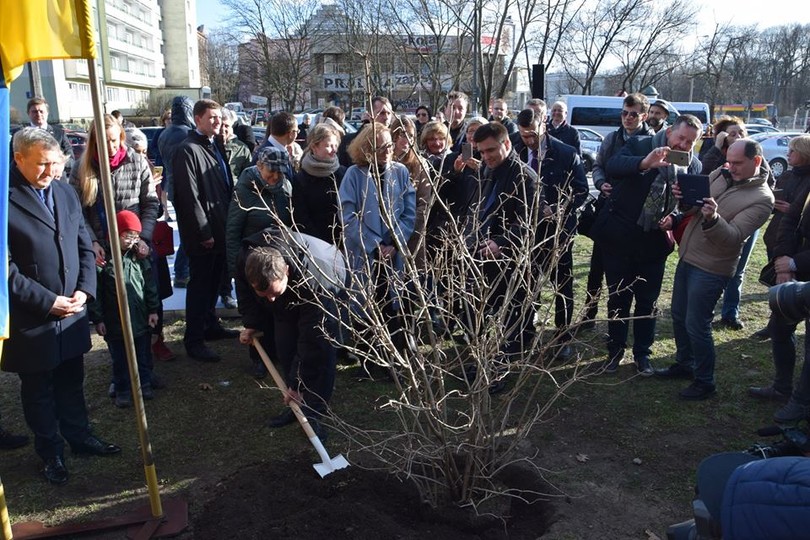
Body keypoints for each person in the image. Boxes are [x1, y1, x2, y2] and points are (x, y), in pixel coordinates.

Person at [5, 128, 120, 485]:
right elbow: (3, 268)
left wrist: (85, 290)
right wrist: (47, 302)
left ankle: (79, 436)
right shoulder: (3, 199)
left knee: (72, 379)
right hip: (32, 318)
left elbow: (85, 244)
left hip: (71, 312)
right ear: (18, 158)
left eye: (55, 163)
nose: (50, 171)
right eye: (41, 164)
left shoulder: (66, 191)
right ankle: (50, 451)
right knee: (38, 389)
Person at [657, 139, 773, 400]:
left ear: (755, 161)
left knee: (697, 323)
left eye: (737, 163)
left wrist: (713, 218)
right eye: (728, 161)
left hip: (712, 268)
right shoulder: (720, 173)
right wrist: (683, 204)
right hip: (688, 256)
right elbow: (695, 206)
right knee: (678, 314)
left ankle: (705, 381)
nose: (730, 167)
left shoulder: (762, 199)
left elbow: (733, 238)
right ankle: (685, 364)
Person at [595, 114, 703, 375]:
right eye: (681, 138)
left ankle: (643, 354)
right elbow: (613, 166)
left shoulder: (693, 165)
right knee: (619, 298)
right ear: (669, 133)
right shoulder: (641, 144)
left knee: (648, 302)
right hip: (621, 235)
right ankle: (615, 351)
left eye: (691, 142)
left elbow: (690, 206)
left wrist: (676, 213)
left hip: (655, 243)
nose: (684, 146)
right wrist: (645, 163)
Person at [236, 228, 346, 438]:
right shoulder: (247, 260)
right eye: (264, 294)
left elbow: (311, 342)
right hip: (293, 289)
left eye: (274, 293)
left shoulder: (317, 278)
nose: (271, 300)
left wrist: (298, 381)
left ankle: (313, 413)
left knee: (320, 352)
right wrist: (251, 323)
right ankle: (295, 404)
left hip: (329, 282)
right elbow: (244, 291)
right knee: (285, 345)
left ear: (286, 270)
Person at [339, 122, 416, 374]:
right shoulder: (354, 174)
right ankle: (370, 361)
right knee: (366, 305)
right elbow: (348, 215)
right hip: (365, 254)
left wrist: (394, 243)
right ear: (367, 147)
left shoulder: (401, 172)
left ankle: (395, 358)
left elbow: (409, 212)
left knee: (393, 305)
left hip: (394, 255)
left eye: (390, 146)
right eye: (381, 147)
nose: (387, 151)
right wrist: (374, 246)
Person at [467, 122, 537, 392]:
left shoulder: (525, 177)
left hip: (511, 261)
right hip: (483, 256)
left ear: (507, 144)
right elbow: (481, 208)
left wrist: (501, 242)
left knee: (510, 318)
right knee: (481, 313)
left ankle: (500, 371)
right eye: (482, 152)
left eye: (491, 150)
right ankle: (482, 361)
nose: (486, 156)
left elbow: (528, 222)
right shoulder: (489, 170)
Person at [516, 107, 589, 356]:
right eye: (524, 135)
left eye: (533, 134)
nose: (529, 141)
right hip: (525, 232)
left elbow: (581, 190)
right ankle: (525, 331)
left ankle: (562, 337)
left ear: (544, 125)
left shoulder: (565, 153)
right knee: (526, 283)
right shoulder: (516, 150)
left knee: (562, 285)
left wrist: (559, 208)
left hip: (557, 232)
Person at [749, 135, 810, 421]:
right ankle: (782, 387)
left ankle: (801, 402)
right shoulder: (797, 179)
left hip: (805, 271)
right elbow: (789, 221)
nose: (788, 154)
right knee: (780, 329)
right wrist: (784, 262)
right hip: (791, 272)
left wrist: (796, 261)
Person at [173, 99, 239, 362]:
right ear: (197, 119)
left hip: (221, 228)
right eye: (211, 117)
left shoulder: (214, 145)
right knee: (200, 286)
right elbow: (190, 197)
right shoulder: (188, 150)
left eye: (219, 118)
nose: (217, 122)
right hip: (203, 235)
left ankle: (210, 326)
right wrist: (204, 233)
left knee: (213, 283)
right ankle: (194, 339)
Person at [584, 93, 655, 327]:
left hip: (634, 215)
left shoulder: (652, 141)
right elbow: (597, 165)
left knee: (625, 271)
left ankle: (620, 319)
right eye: (624, 113)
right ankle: (589, 312)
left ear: (644, 115)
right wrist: (600, 182)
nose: (627, 118)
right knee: (597, 266)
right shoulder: (612, 138)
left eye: (633, 114)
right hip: (608, 210)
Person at [90, 211, 160, 408]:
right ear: (116, 233)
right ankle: (122, 389)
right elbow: (96, 292)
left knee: (142, 354)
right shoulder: (104, 261)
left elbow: (149, 285)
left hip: (139, 318)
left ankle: (144, 384)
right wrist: (98, 319)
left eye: (135, 236)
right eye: (127, 235)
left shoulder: (139, 257)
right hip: (115, 322)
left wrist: (153, 310)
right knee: (120, 358)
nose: (132, 240)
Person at [700, 118, 760, 331]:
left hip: (745, 219)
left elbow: (767, 181)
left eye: (741, 132)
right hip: (713, 219)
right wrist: (717, 147)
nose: (738, 136)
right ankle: (704, 307)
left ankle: (730, 312)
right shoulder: (715, 153)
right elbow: (703, 173)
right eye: (732, 133)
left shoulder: (754, 155)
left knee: (738, 268)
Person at [752, 136, 810, 341]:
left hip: (802, 248)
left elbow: (799, 210)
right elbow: (780, 203)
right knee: (779, 283)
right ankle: (776, 321)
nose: (788, 154)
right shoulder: (787, 175)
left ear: (804, 153)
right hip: (779, 237)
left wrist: (792, 209)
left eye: (793, 151)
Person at [156, 96, 196, 288]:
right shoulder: (186, 133)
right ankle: (181, 272)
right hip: (185, 188)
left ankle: (182, 271)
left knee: (187, 230)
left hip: (173, 186)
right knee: (191, 233)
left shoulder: (165, 133)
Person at [292, 123, 346, 245]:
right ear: (314, 147)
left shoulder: (343, 173)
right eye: (328, 146)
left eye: (335, 145)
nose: (333, 150)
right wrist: (321, 244)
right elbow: (301, 218)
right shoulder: (301, 178)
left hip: (343, 244)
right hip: (313, 244)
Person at [338, 97, 393, 167]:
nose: (386, 117)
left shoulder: (397, 140)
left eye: (389, 113)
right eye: (381, 113)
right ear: (370, 114)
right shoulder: (349, 141)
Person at [254, 111, 300, 177]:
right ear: (290, 134)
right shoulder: (265, 155)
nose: (297, 134)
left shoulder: (278, 150)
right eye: (297, 131)